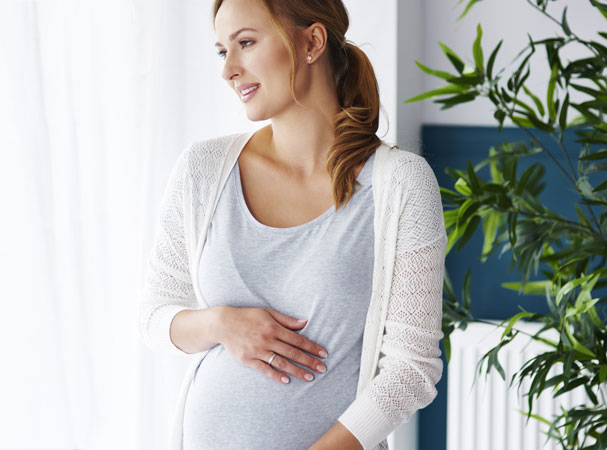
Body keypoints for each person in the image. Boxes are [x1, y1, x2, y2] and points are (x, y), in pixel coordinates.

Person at [137, 0, 447, 449]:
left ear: (312, 42)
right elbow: (154, 317)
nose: (229, 70)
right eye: (223, 51)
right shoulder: (202, 170)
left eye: (246, 43)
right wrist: (221, 323)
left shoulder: (400, 184)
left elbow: (411, 369)